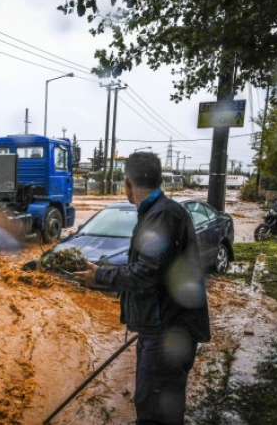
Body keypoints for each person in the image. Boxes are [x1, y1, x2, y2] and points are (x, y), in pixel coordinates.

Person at [75, 152, 210, 425]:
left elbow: (146, 274)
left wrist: (100, 276)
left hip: (169, 332)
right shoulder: (158, 212)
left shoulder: (161, 215)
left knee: (153, 410)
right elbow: (155, 276)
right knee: (154, 404)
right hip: (161, 327)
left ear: (127, 182)